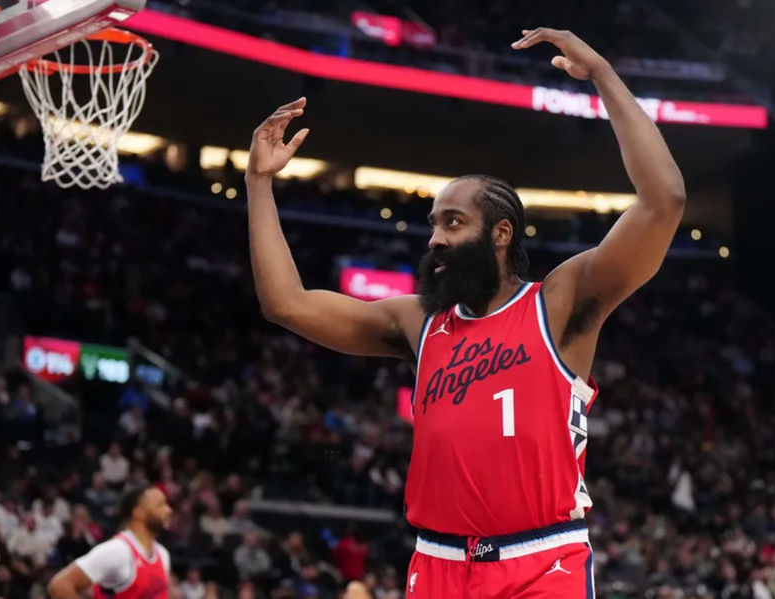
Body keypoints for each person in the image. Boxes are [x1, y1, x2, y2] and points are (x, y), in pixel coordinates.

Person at [247, 27, 685, 598]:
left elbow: (664, 201)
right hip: (438, 564)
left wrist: (602, 73)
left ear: (500, 234)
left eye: (452, 222)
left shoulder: (559, 302)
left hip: (541, 560)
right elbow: (287, 304)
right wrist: (258, 182)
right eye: (433, 223)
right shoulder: (417, 323)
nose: (435, 238)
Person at [47, 485, 173, 599]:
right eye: (160, 505)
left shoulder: (163, 554)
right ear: (138, 512)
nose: (168, 510)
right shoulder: (118, 550)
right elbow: (60, 585)